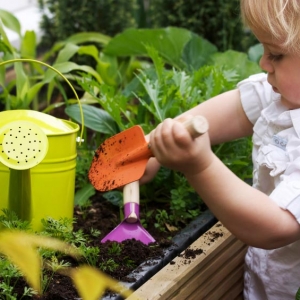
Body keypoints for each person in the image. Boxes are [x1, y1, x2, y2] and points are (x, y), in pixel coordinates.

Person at [140, 1, 300, 299]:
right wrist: (151, 146)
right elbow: (234, 112)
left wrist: (199, 166)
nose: (263, 63)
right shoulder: (282, 95)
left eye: (276, 54)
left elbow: (275, 227)